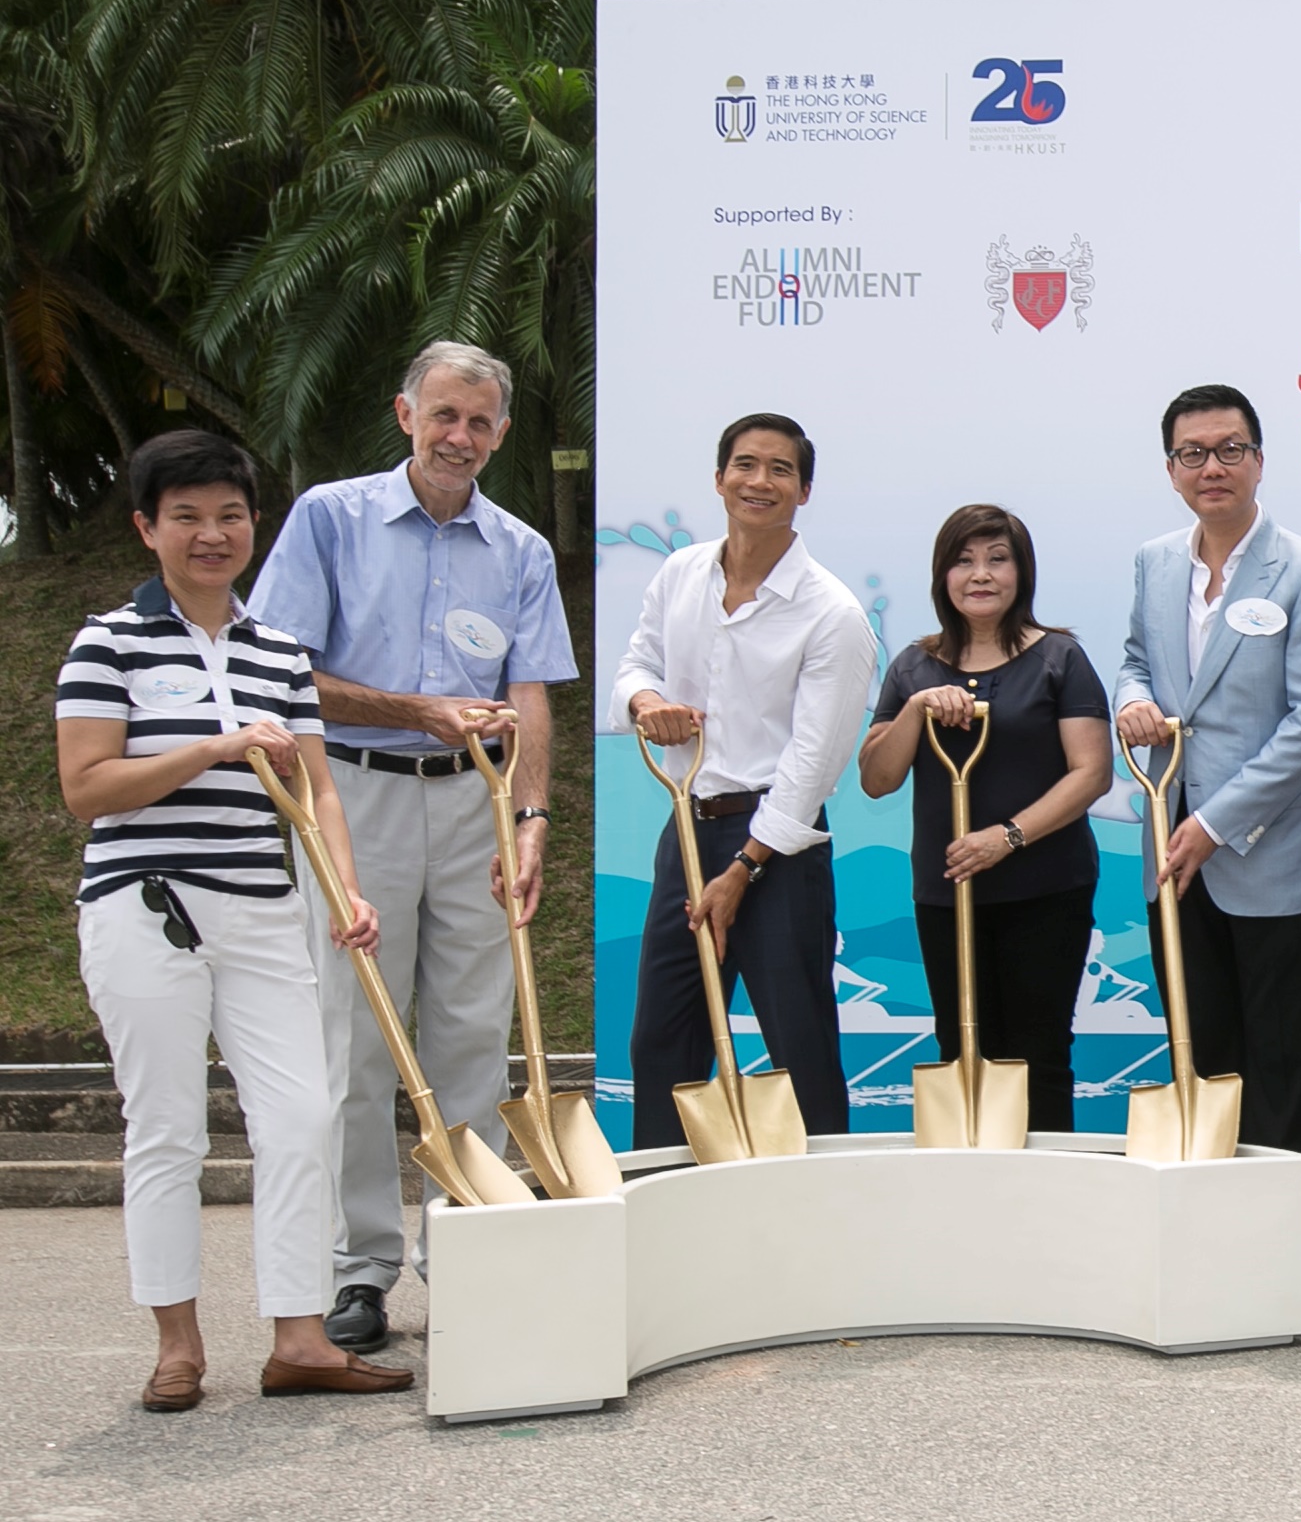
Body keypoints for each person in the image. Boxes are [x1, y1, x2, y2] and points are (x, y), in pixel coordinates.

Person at [60, 429, 410, 1405]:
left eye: (229, 516)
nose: (211, 535)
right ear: (147, 528)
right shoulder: (109, 641)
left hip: (264, 910)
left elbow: (319, 790)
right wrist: (211, 751)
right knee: (166, 1127)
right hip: (146, 906)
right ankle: (178, 1344)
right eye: (186, 518)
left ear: (254, 526)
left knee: (303, 1115)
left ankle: (299, 1336)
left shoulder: (278, 654)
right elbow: (87, 787)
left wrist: (345, 888)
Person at [246, 340, 576, 1354]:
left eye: (479, 423)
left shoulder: (522, 550)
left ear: (502, 434)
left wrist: (530, 821)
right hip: (355, 796)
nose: (459, 438)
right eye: (444, 416)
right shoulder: (331, 519)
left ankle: (465, 1250)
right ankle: (362, 1271)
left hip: (474, 804)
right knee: (357, 1038)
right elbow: (283, 672)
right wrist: (412, 709)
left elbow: (530, 697)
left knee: (472, 1036)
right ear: (405, 414)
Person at [1113, 384, 1301, 1202]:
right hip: (1170, 845)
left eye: (1229, 450)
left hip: (1270, 851)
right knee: (1200, 1049)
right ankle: (1210, 1237)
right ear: (1171, 469)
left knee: (1281, 1063)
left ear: (1258, 461)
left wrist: (1215, 823)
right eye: (1193, 454)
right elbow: (1135, 660)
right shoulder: (1153, 562)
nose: (1211, 467)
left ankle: (1283, 1257)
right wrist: (1130, 701)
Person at [613, 413, 877, 1147]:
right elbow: (636, 665)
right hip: (688, 827)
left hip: (779, 850)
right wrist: (647, 703)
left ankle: (820, 1219)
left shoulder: (833, 613)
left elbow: (812, 764)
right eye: (745, 465)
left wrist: (742, 869)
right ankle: (665, 1207)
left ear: (804, 490)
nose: (759, 481)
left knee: (797, 1047)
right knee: (662, 1041)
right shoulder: (679, 574)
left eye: (779, 470)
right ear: (719, 477)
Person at [858, 504, 1112, 1132]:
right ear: (942, 575)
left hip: (1046, 887)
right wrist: (916, 709)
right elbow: (876, 779)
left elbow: (1091, 772)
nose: (981, 575)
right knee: (962, 1049)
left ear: (1021, 573)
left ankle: (1048, 1204)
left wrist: (1008, 837)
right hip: (949, 892)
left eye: (998, 559)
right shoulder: (914, 668)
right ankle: (973, 1198)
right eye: (964, 561)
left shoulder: (1059, 659)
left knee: (1039, 1052)